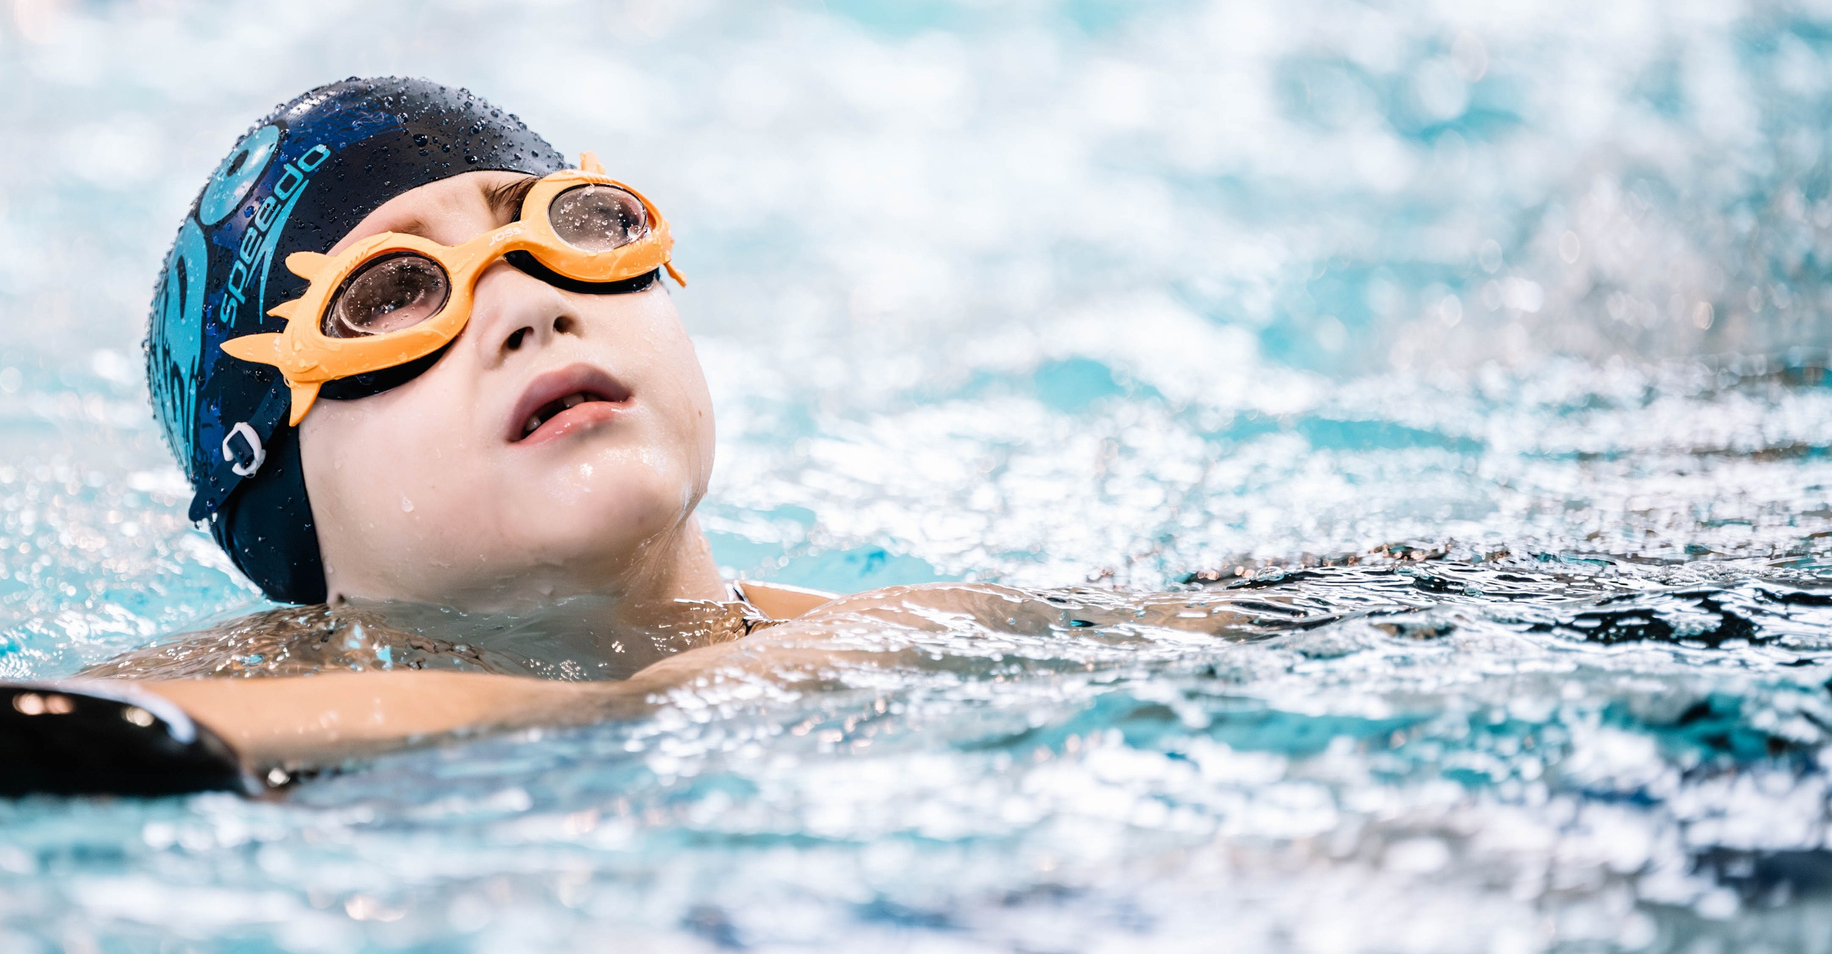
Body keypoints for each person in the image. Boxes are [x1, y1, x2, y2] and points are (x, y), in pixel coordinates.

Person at [91, 77, 1272, 770]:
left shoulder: (962, 633)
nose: (527, 304)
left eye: (570, 224)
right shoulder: (164, 720)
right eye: (394, 293)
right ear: (276, 476)